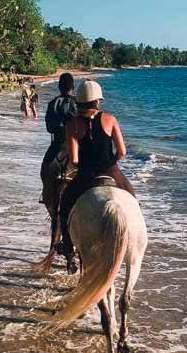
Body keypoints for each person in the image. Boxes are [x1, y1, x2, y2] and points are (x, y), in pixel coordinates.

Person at [58, 80, 136, 255]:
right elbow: (122, 151)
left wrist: (83, 165)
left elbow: (75, 160)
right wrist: (111, 162)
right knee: (132, 197)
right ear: (97, 101)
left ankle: (67, 245)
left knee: (65, 205)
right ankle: (134, 237)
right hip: (111, 170)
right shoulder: (110, 119)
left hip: (86, 174)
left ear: (80, 101)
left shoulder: (72, 124)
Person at [40, 73, 77, 184]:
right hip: (77, 144)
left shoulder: (53, 103)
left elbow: (49, 128)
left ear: (59, 87)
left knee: (45, 169)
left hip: (58, 143)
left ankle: (46, 193)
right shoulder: (78, 103)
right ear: (73, 87)